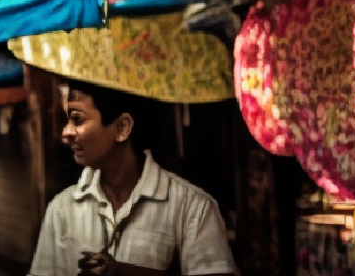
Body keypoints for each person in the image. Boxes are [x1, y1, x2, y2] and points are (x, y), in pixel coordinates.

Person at [28, 82, 233, 276]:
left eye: (78, 120)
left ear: (122, 128)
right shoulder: (61, 209)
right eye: (68, 120)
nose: (66, 133)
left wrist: (125, 272)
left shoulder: (193, 208)